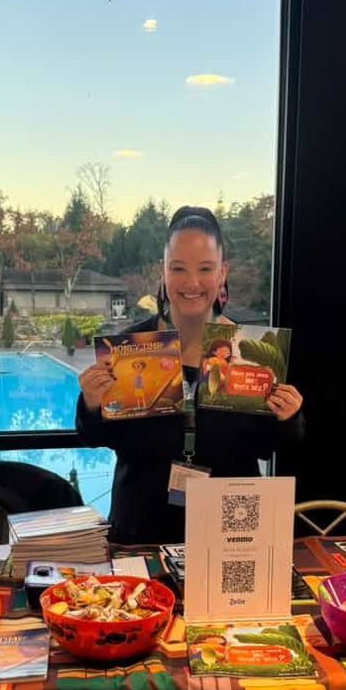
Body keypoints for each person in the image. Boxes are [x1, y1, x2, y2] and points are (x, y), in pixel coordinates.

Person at [77, 206, 304, 543]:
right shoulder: (130, 350)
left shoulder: (249, 353)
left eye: (205, 269)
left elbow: (266, 447)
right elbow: (97, 438)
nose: (192, 283)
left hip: (228, 535)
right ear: (163, 271)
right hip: (141, 532)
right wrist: (92, 405)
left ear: (222, 272)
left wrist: (288, 418)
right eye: (179, 268)